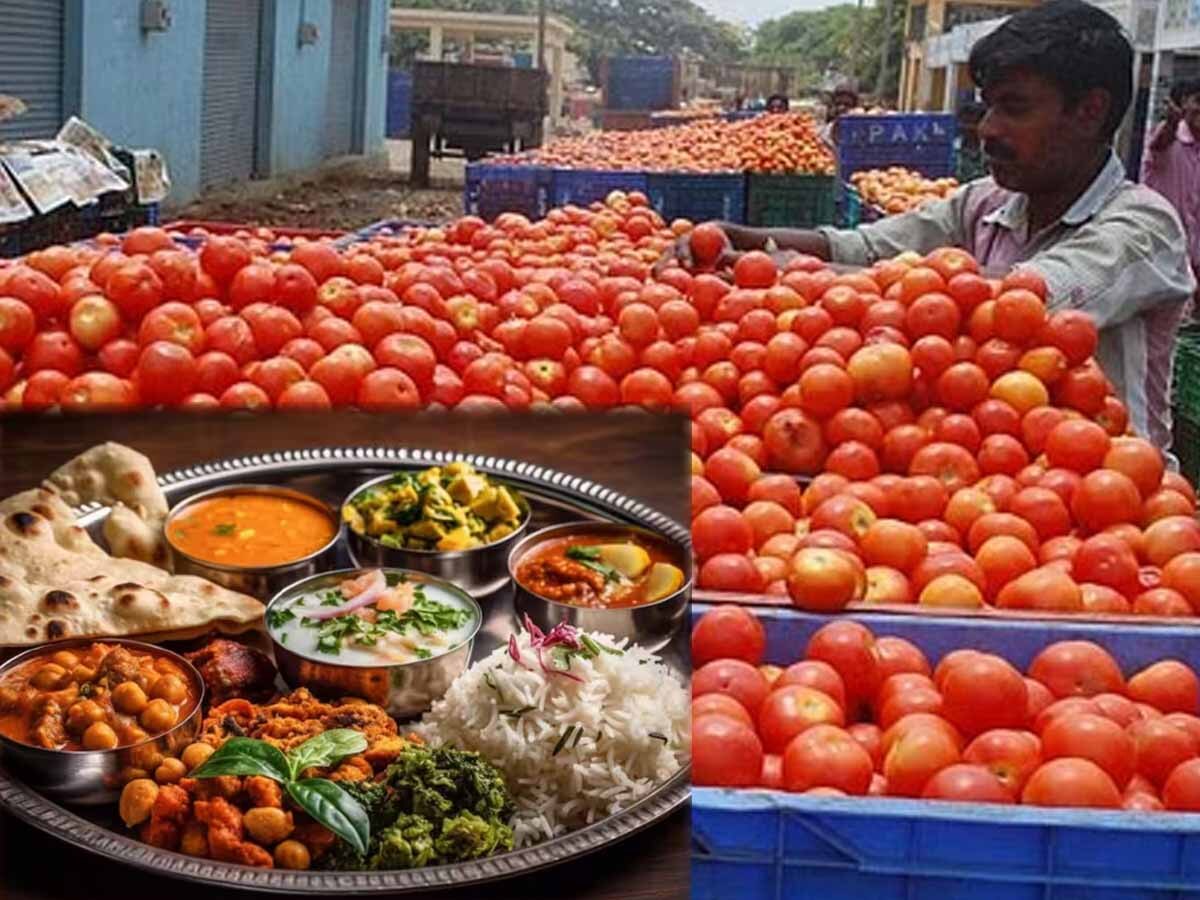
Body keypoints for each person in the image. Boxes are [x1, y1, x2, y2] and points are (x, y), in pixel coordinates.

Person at [668, 0, 1196, 450]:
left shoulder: (1143, 225)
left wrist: (790, 271)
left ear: (1089, 112)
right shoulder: (985, 202)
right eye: (988, 107)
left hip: (1113, 495)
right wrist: (744, 238)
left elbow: (1021, 305)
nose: (987, 129)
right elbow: (865, 247)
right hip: (994, 470)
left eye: (1014, 109)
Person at [1142, 78, 1200, 312]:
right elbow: (1161, 141)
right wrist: (1172, 122)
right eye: (1198, 101)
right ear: (1184, 103)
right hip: (1157, 259)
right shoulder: (1168, 140)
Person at [955, 100, 988, 183]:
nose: (967, 127)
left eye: (972, 123)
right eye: (964, 122)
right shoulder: (955, 147)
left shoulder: (990, 151)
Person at [820, 83, 860, 148]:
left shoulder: (861, 133)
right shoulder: (825, 133)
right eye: (838, 104)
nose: (841, 108)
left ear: (855, 107)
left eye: (847, 104)